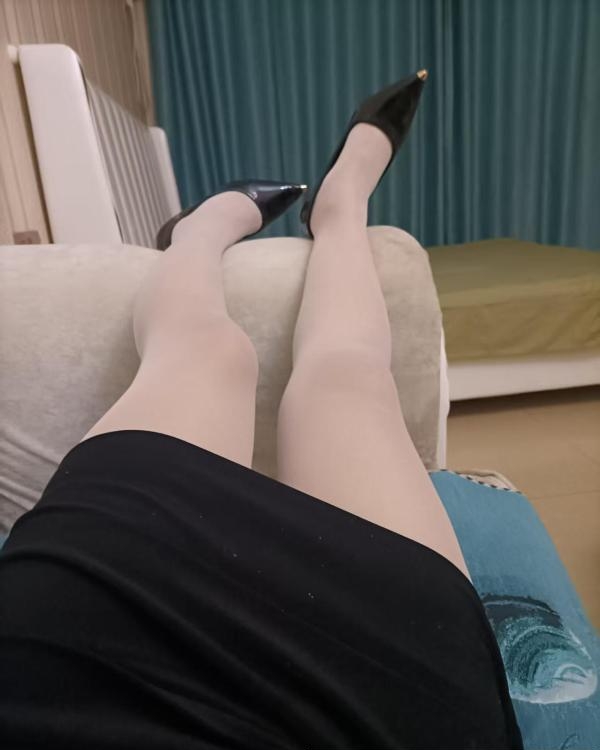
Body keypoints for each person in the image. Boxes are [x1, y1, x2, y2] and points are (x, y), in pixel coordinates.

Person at [0, 70, 523, 749]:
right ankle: (341, 208)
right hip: (398, 679)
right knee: (348, 379)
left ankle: (198, 233)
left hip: (93, 617)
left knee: (208, 353)